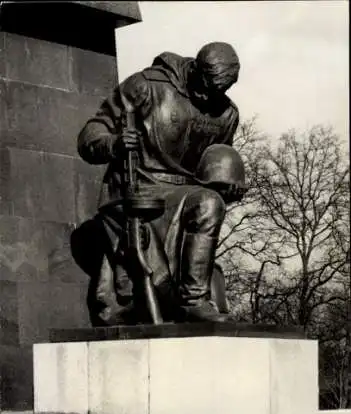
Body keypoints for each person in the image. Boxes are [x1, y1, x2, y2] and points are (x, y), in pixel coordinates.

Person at [75, 41, 245, 325]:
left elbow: (214, 167)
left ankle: (193, 300)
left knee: (208, 201)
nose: (208, 97)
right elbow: (90, 134)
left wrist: (228, 185)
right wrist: (112, 143)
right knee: (206, 202)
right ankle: (192, 301)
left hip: (189, 194)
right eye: (206, 86)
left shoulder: (227, 113)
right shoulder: (146, 86)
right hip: (140, 189)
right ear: (195, 69)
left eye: (220, 91)